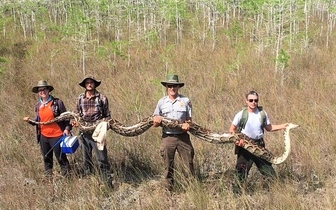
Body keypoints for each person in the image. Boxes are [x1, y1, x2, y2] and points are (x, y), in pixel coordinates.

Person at [229, 90, 288, 192]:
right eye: (251, 100)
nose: (253, 102)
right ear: (246, 101)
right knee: (241, 173)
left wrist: (284, 126)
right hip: (245, 147)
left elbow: (269, 128)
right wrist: (238, 141)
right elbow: (232, 130)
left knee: (269, 172)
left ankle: (275, 192)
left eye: (255, 100)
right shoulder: (241, 114)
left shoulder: (262, 114)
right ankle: (237, 195)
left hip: (259, 146)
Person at [153, 74, 194, 192]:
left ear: (178, 87)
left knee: (189, 164)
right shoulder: (161, 102)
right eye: (170, 86)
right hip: (168, 137)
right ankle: (168, 190)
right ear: (166, 87)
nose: (172, 88)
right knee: (168, 166)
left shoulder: (186, 101)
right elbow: (155, 122)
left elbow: (190, 121)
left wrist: (188, 125)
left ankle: (191, 190)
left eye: (174, 86)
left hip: (183, 137)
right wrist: (156, 121)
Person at [23, 80, 71, 178]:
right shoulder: (38, 105)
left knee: (61, 158)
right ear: (38, 92)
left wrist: (67, 129)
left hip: (57, 135)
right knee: (47, 158)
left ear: (48, 90)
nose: (42, 91)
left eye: (44, 89)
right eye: (40, 90)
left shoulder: (57, 102)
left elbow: (67, 117)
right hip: (43, 136)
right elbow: (38, 120)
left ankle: (69, 178)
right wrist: (30, 121)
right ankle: (49, 179)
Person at [74, 75, 113, 188]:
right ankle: (89, 183)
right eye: (87, 83)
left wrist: (105, 124)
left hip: (98, 133)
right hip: (84, 133)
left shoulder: (102, 98)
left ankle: (107, 182)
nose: (89, 84)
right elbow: (77, 114)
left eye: (91, 82)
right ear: (85, 85)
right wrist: (75, 122)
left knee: (102, 159)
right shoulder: (80, 98)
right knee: (86, 159)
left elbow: (107, 116)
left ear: (95, 84)